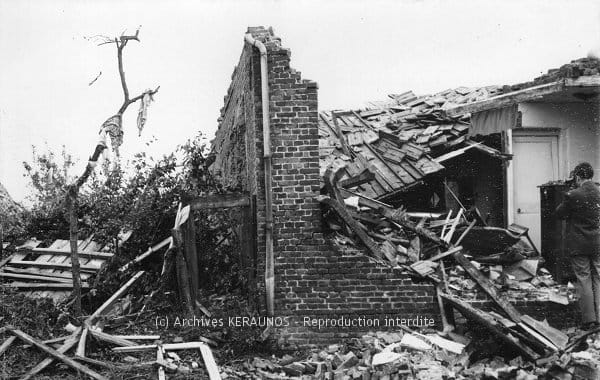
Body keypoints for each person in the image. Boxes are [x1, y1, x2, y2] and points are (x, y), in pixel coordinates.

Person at [556, 162, 600, 330]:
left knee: (583, 279)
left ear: (578, 177)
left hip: (579, 244)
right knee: (598, 277)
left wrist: (567, 194)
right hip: (597, 243)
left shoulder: (573, 194)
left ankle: (589, 320)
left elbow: (559, 213)